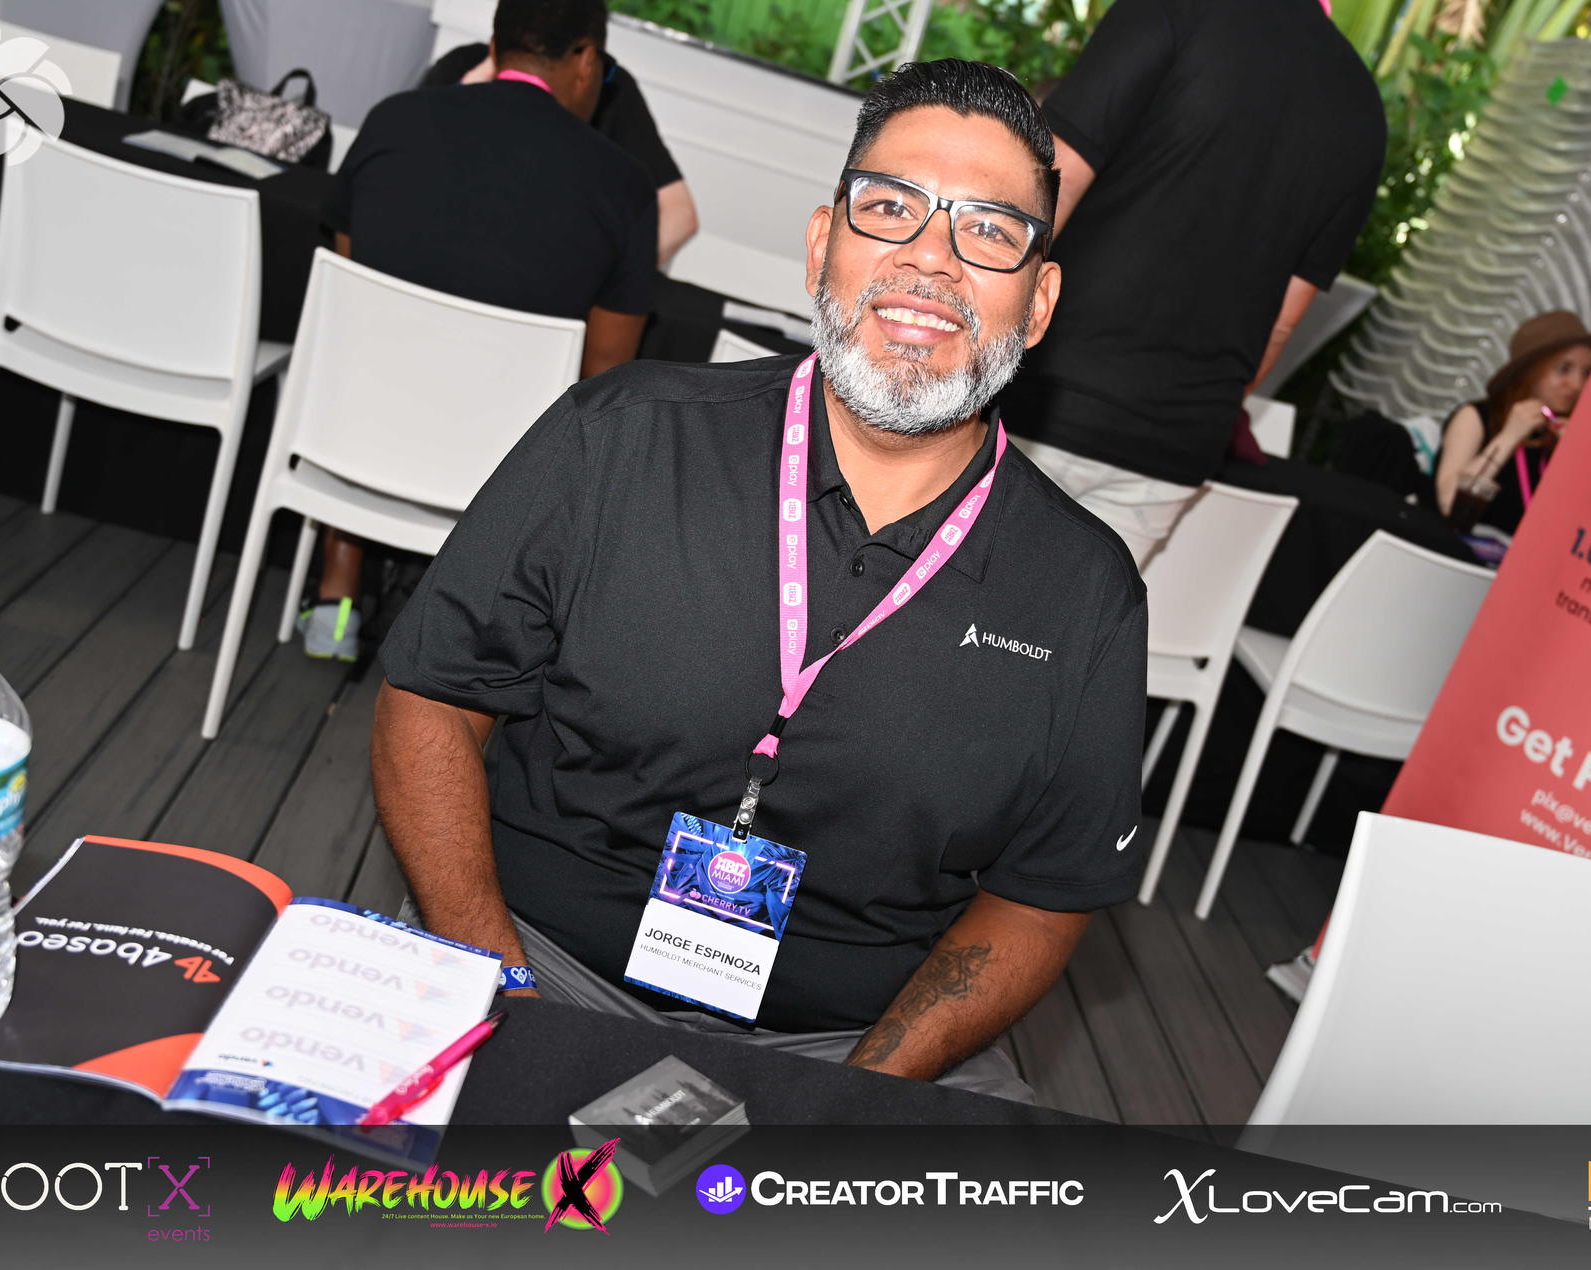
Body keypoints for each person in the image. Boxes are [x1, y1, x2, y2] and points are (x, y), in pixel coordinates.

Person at [370, 60, 1148, 1101]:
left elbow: (1044, 894)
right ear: (823, 247)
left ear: (1038, 300)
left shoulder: (1084, 591)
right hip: (537, 961)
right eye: (890, 208)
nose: (930, 258)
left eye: (989, 230)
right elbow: (429, 699)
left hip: (848, 1040)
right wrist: (501, 991)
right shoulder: (620, 437)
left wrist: (857, 1094)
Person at [307, 0, 659, 660]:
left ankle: (336, 601)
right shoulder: (623, 186)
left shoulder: (393, 120)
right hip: (499, 482)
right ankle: (472, 630)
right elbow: (607, 380)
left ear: (496, 45)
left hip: (357, 435)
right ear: (586, 59)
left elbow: (349, 296)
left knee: (362, 354)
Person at [1001, 0, 1385, 567]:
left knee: (930, 607)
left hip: (1037, 398)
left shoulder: (1176, 8)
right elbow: (1283, 323)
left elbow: (1044, 191)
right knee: (1058, 624)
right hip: (1169, 452)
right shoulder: (1363, 109)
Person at [422, 41, 700, 267]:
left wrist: (616, 289)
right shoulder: (462, 67)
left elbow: (679, 214)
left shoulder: (612, 89)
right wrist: (467, 91)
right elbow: (413, 173)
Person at [1433, 310, 1591, 536]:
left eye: (1586, 372)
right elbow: (1449, 502)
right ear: (1530, 372)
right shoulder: (1477, 416)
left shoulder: (1563, 432)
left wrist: (1574, 460)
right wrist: (1509, 436)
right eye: (1564, 369)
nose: (1577, 384)